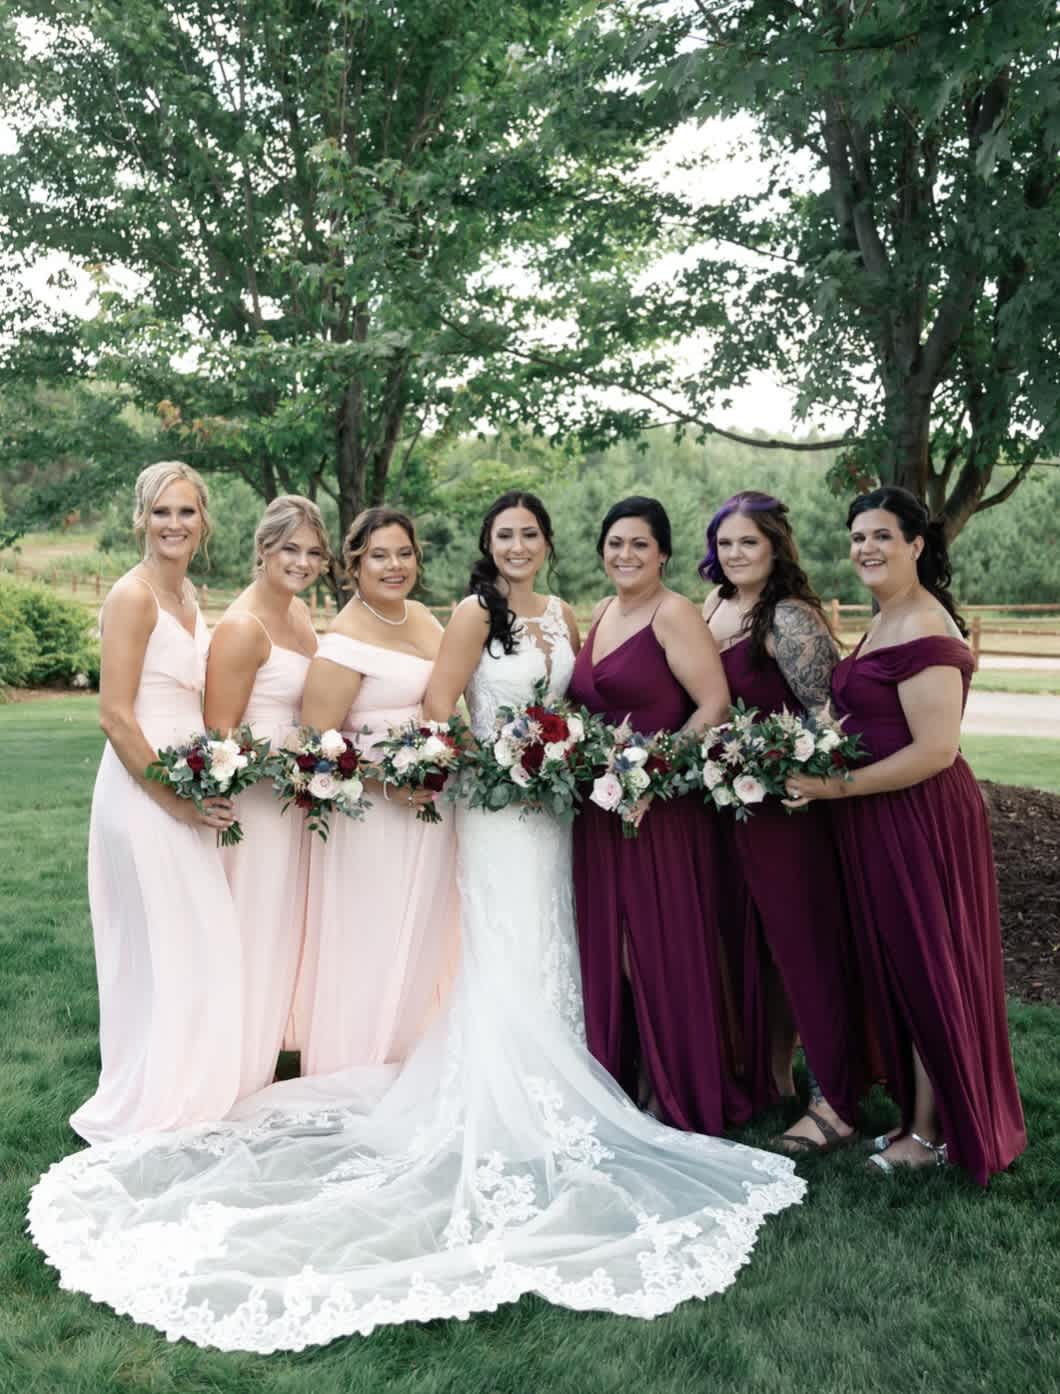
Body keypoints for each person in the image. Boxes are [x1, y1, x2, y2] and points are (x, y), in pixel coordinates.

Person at [28, 493, 804, 1352]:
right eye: (503, 534)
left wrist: (565, 753)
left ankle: (569, 1061)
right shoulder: (456, 616)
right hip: (474, 808)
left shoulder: (556, 614)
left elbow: (561, 706)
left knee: (542, 938)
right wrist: (419, 767)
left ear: (548, 544)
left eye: (530, 533)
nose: (515, 545)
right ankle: (480, 1074)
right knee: (486, 943)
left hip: (549, 812)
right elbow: (411, 716)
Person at [784, 486, 1026, 1182]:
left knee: (927, 966)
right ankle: (920, 1117)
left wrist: (833, 788)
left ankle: (930, 1135)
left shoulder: (924, 623)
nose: (866, 548)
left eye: (882, 535)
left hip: (921, 817)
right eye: (858, 536)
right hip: (878, 815)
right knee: (902, 966)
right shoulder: (885, 616)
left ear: (917, 545)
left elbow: (936, 751)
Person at [70, 461, 242, 1143]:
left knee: (192, 941)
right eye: (161, 511)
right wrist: (175, 801)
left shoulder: (188, 595)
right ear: (141, 518)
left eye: (186, 511)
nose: (174, 524)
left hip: (186, 783)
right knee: (163, 943)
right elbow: (114, 716)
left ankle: (187, 1084)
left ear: (204, 521)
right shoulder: (132, 597)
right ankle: (152, 1094)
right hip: (143, 791)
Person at [568, 496, 749, 1134]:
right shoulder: (602, 612)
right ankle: (627, 1076)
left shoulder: (674, 614)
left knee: (651, 949)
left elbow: (714, 704)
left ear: (664, 553)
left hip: (657, 811)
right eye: (615, 543)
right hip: (600, 811)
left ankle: (670, 1085)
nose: (626, 554)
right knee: (613, 948)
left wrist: (653, 771)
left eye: (640, 544)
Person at [702, 491, 869, 1151]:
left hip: (787, 812)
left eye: (749, 542)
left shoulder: (790, 618)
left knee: (804, 949)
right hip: (730, 808)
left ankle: (835, 1102)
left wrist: (791, 771)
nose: (735, 553)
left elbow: (830, 716)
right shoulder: (713, 606)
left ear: (775, 547)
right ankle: (772, 1077)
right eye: (725, 543)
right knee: (753, 947)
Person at [293, 506, 458, 1076]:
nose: (394, 566)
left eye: (404, 553)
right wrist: (389, 782)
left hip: (431, 809)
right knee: (373, 935)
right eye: (379, 556)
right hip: (374, 816)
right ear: (355, 565)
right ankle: (357, 1065)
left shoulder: (425, 619)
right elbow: (315, 746)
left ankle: (415, 1059)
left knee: (424, 934)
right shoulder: (344, 640)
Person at [203, 495, 327, 1096]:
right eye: (290, 549)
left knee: (284, 922)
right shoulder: (242, 626)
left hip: (295, 796)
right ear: (263, 548)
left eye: (313, 552)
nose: (302, 562)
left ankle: (272, 1044)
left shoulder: (298, 613)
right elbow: (219, 735)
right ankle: (236, 1061)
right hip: (257, 802)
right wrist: (284, 762)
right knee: (253, 922)